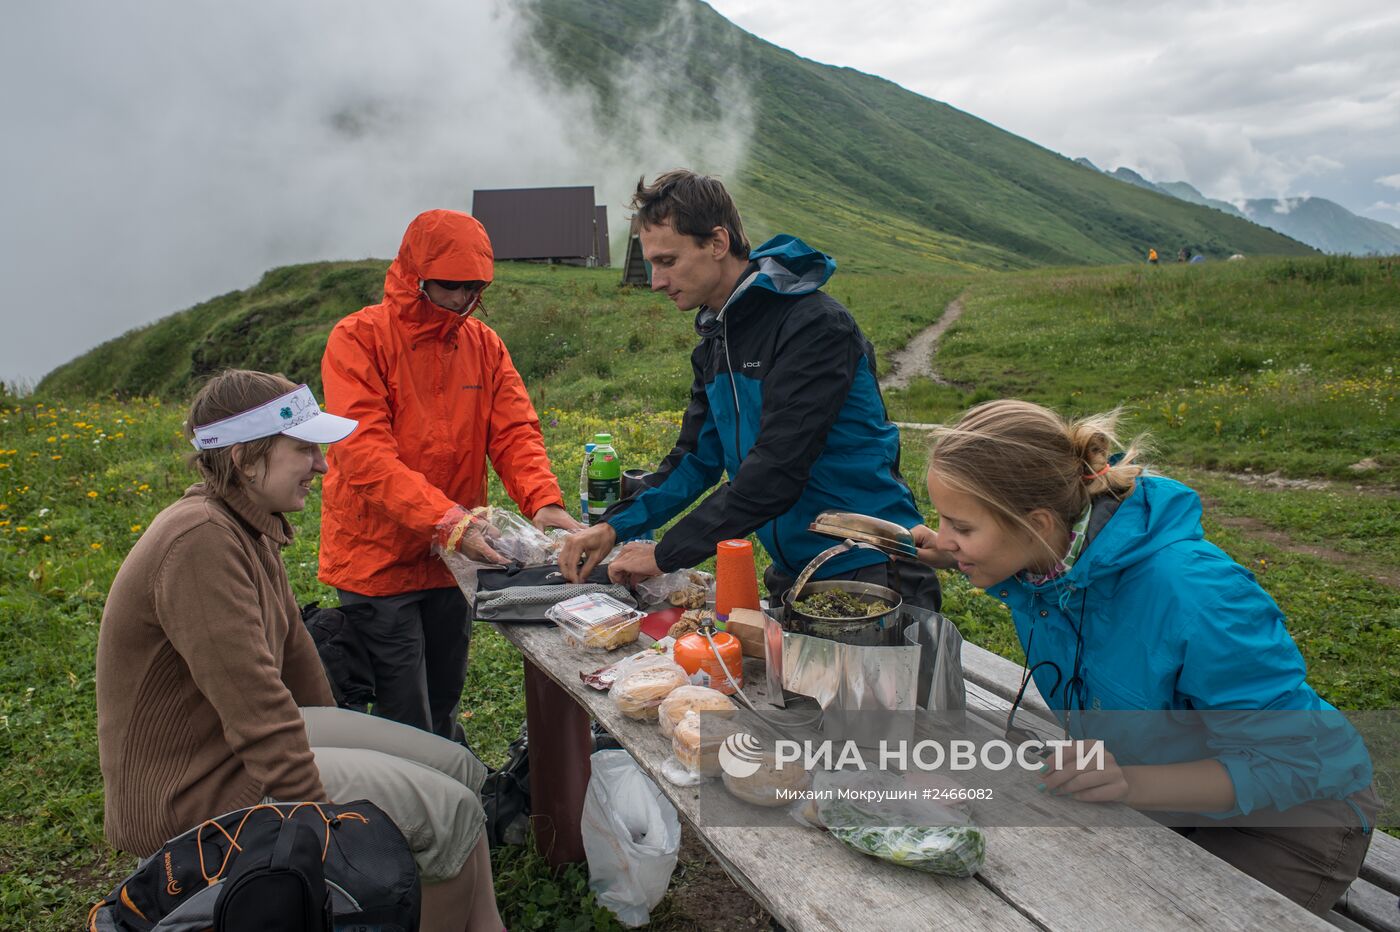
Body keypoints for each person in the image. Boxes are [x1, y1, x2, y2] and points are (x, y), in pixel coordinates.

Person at [918, 399, 1379, 914]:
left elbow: (1300, 762)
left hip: (1291, 820)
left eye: (960, 526)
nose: (942, 538)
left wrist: (1133, 782)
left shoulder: (1199, 597)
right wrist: (955, 552)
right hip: (1165, 790)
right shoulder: (1044, 566)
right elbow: (1044, 580)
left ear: (1038, 523)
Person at [96, 370, 503, 931]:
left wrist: (352, 747)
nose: (322, 465)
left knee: (459, 770)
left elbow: (296, 658)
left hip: (234, 747)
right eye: (304, 449)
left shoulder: (247, 525)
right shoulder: (200, 543)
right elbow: (257, 708)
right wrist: (330, 824)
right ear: (244, 457)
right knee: (451, 814)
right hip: (198, 784)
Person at [559, 170, 939, 610]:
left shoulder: (812, 326)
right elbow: (696, 460)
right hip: (797, 570)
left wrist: (664, 555)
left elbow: (777, 470)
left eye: (667, 261)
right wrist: (613, 526)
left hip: (871, 567)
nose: (656, 280)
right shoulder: (718, 340)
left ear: (717, 243)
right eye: (651, 264)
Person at [319, 209, 582, 739]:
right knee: (403, 712)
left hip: (454, 561)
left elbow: (514, 432)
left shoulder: (483, 345)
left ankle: (449, 805)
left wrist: (542, 501)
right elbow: (363, 453)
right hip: (378, 562)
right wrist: (448, 521)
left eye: (475, 287)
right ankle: (402, 812)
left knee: (443, 696)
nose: (464, 299)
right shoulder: (358, 339)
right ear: (415, 275)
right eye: (452, 286)